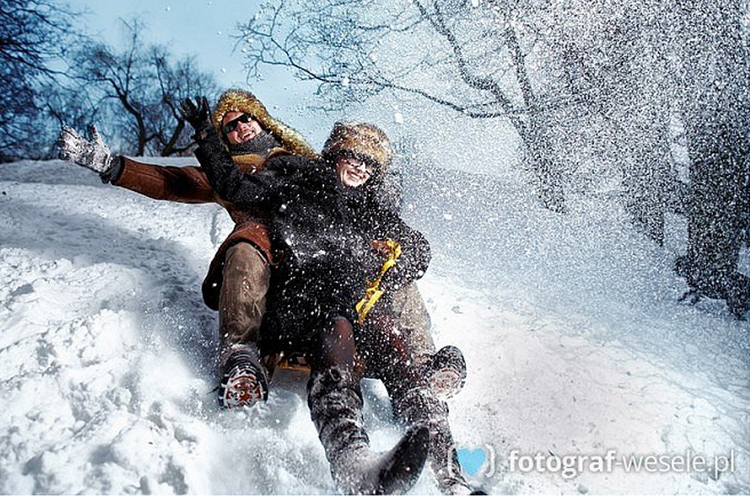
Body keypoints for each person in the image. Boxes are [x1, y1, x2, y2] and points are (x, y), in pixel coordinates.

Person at [57, 88, 466, 410]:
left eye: (245, 117)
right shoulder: (232, 172)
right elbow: (176, 182)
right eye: (229, 126)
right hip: (276, 252)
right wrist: (115, 167)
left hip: (326, 252)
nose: (240, 128)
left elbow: (363, 194)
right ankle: (243, 352)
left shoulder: (307, 162)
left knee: (387, 265)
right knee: (248, 243)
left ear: (262, 118)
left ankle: (418, 366)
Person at [182, 97, 477, 494]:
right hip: (299, 304)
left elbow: (418, 247)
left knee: (391, 338)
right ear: (335, 153)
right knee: (338, 327)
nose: (359, 166)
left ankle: (451, 473)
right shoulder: (297, 176)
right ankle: (353, 463)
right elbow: (234, 186)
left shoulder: (372, 209)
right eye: (352, 156)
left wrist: (398, 264)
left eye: (369, 163)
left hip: (352, 310)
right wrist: (205, 133)